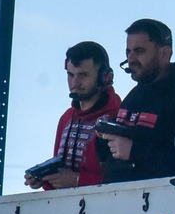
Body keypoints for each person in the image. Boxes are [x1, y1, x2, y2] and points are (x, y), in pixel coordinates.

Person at [99, 19, 175, 184]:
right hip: (117, 200)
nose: (131, 59)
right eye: (128, 52)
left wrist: (134, 151)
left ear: (164, 54)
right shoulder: (132, 97)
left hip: (162, 205)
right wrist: (103, 136)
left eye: (139, 51)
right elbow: (108, 156)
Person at [26, 42, 121, 190]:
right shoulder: (66, 118)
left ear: (104, 76)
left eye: (83, 75)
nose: (75, 83)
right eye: (70, 75)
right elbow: (62, 172)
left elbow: (124, 180)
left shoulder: (118, 116)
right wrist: (46, 178)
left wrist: (78, 181)